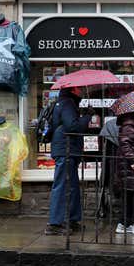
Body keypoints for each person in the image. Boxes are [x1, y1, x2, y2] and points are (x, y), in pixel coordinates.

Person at [45, 87, 92, 235]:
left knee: (71, 185)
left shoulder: (66, 103)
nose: (82, 92)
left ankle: (71, 220)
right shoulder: (67, 104)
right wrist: (87, 117)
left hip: (68, 150)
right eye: (79, 89)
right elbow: (72, 127)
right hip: (65, 149)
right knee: (63, 185)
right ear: (73, 90)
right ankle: (55, 224)